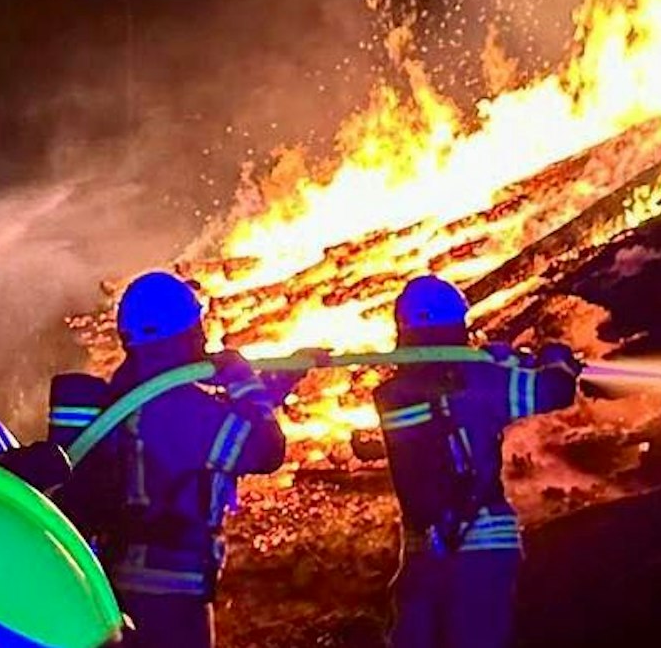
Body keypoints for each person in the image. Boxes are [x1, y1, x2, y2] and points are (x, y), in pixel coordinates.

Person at [72, 270, 313, 648]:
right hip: (167, 594)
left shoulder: (137, 395)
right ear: (183, 332)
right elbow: (265, 449)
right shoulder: (176, 408)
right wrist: (242, 379)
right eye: (197, 325)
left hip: (135, 578)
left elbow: (223, 422)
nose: (203, 336)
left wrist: (279, 383)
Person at [372, 276, 582, 648]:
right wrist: (556, 360)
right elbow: (553, 391)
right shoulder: (479, 378)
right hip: (484, 539)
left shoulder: (393, 394)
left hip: (425, 544)